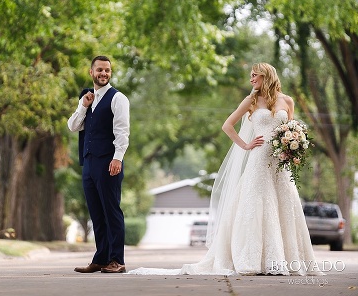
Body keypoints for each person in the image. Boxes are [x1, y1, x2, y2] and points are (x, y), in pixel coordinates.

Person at [128, 62, 322, 276]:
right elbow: (227, 125)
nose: (251, 79)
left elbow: (290, 128)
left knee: (285, 205)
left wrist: (291, 149)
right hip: (258, 161)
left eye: (255, 75)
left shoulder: (287, 101)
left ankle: (286, 259)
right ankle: (255, 259)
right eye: (251, 76)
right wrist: (246, 145)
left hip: (280, 163)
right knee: (257, 206)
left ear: (266, 76)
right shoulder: (251, 100)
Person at [67, 55, 130, 274]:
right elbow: (73, 126)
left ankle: (117, 260)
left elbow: (122, 131)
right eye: (100, 70)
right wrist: (84, 106)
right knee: (96, 212)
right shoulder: (86, 97)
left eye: (107, 70)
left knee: (111, 210)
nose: (104, 74)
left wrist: (118, 158)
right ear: (91, 72)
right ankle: (101, 258)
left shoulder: (118, 98)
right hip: (89, 162)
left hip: (108, 161)